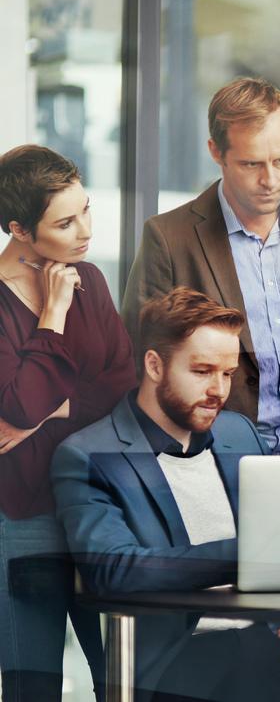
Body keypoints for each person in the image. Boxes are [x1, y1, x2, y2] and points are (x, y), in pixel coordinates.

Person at [52, 287, 280, 702]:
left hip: (270, 644)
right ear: (154, 365)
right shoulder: (88, 454)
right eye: (203, 371)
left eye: (227, 374)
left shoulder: (237, 432)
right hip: (178, 665)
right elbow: (112, 570)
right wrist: (248, 557)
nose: (218, 390)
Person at [121, 76, 280, 459]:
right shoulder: (169, 239)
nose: (270, 180)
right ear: (215, 152)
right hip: (213, 465)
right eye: (251, 163)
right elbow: (139, 366)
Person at [0, 144, 137, 701]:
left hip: (98, 509)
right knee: (33, 686)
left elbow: (120, 386)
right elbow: (19, 407)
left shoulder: (94, 281)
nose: (84, 231)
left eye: (86, 210)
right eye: (64, 222)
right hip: (22, 514)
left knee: (123, 677)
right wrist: (53, 314)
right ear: (19, 230)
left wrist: (46, 410)